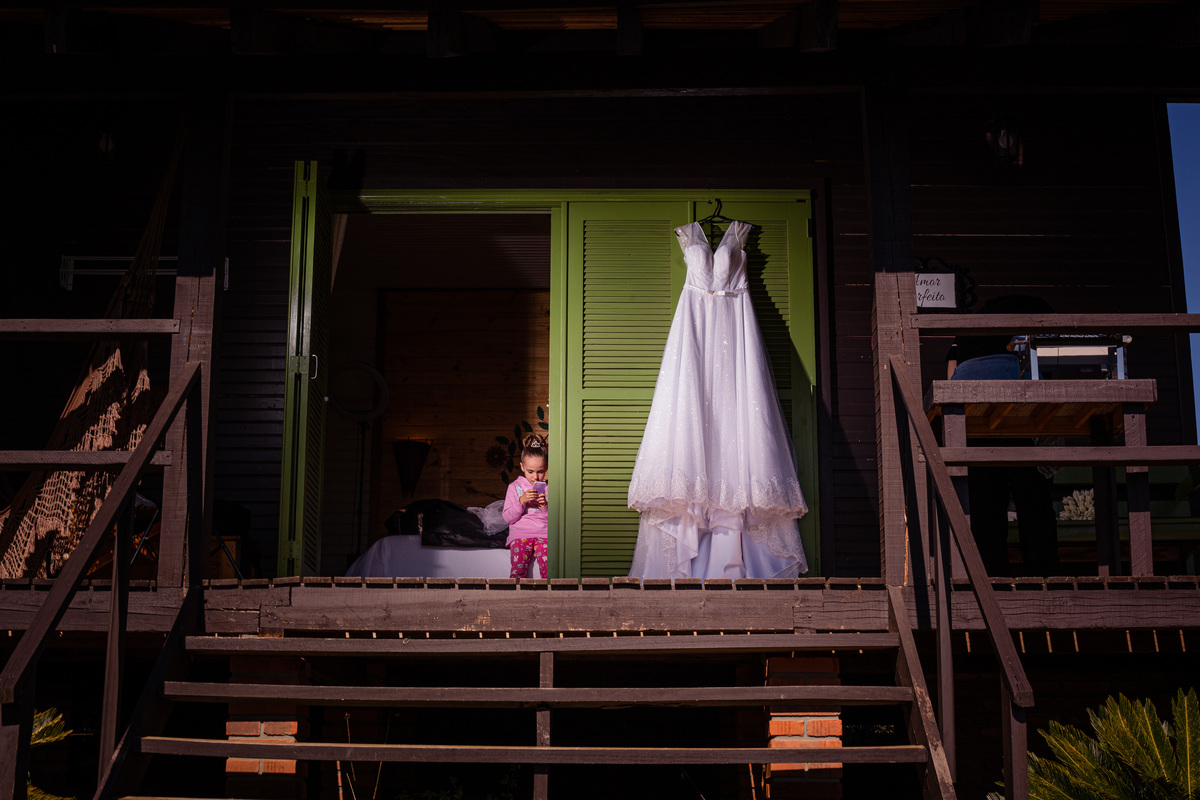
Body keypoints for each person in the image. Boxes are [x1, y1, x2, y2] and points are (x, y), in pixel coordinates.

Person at [947, 294, 1060, 577]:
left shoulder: (969, 326)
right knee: (1033, 496)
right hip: (1016, 384)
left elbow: (951, 372)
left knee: (985, 501)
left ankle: (990, 580)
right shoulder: (1034, 308)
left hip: (969, 397)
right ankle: (1044, 577)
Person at [502, 434, 549, 580]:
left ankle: (551, 593)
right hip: (520, 534)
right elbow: (508, 518)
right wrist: (521, 501)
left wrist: (545, 506)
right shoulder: (514, 487)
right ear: (522, 467)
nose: (535, 477)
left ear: (546, 468)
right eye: (530, 471)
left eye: (540, 471)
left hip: (544, 534)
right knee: (518, 570)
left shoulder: (548, 489)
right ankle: (516, 592)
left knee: (549, 570)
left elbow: (555, 520)